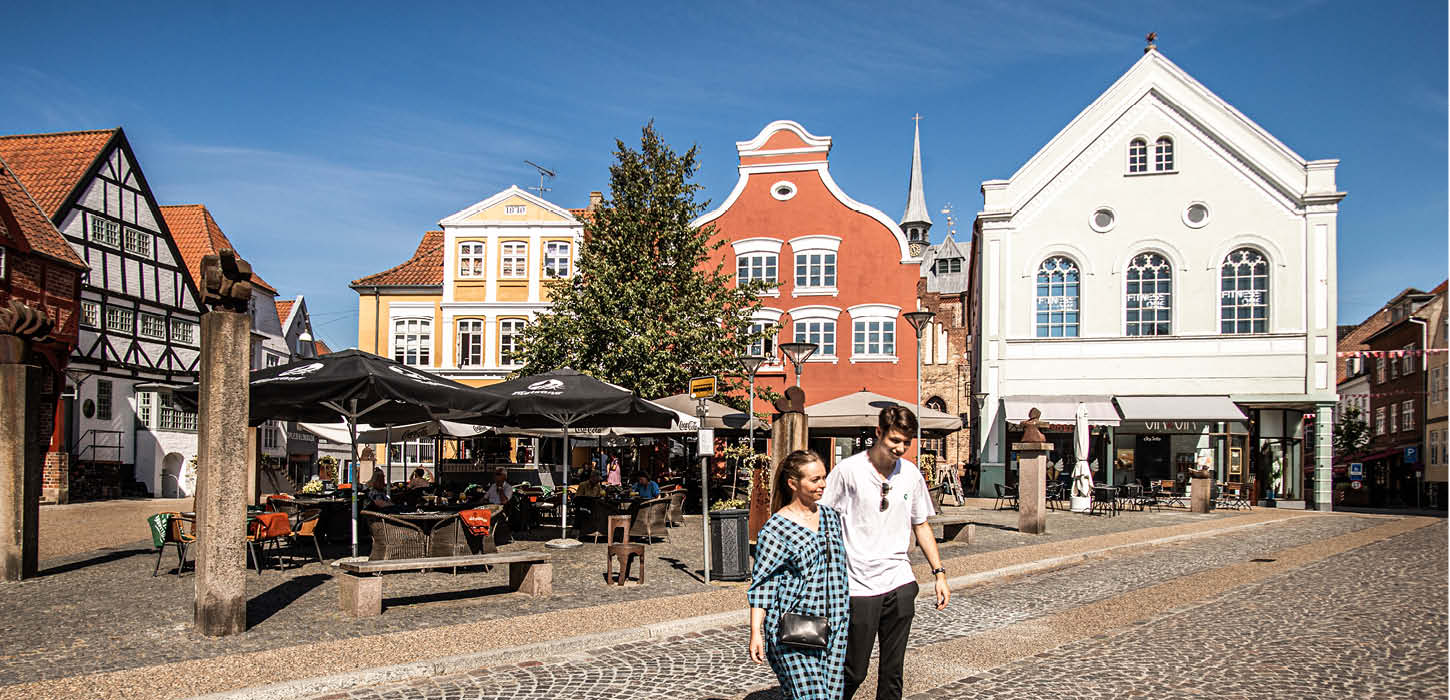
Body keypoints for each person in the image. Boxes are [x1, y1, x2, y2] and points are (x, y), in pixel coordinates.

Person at [820, 405, 950, 700]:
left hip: (900, 582)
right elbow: (821, 522)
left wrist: (939, 573)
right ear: (879, 433)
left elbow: (922, 525)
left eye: (907, 442)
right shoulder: (848, 471)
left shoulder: (911, 475)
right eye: (895, 440)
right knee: (854, 669)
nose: (901, 448)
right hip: (859, 586)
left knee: (893, 671)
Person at [747, 450, 850, 699]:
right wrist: (755, 632)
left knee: (831, 696)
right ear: (793, 483)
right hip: (794, 629)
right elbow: (763, 584)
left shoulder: (830, 517)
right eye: (815, 479)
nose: (823, 484)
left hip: (835, 625)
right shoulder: (776, 528)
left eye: (823, 477)